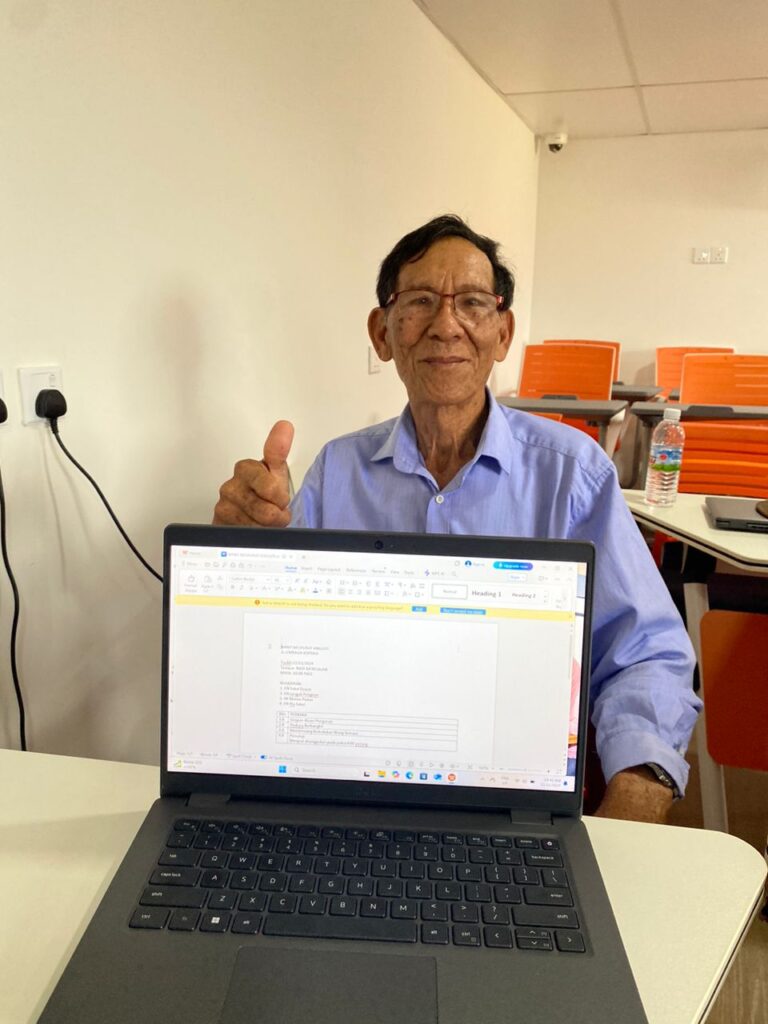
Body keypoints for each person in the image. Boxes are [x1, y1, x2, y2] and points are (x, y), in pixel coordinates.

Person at [214, 214, 700, 822]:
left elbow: (647, 652)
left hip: (512, 794)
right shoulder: (337, 470)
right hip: (352, 783)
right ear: (382, 333)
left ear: (503, 332)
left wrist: (637, 792)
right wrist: (244, 550)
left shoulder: (573, 474)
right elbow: (281, 635)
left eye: (471, 302)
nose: (446, 326)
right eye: (420, 301)